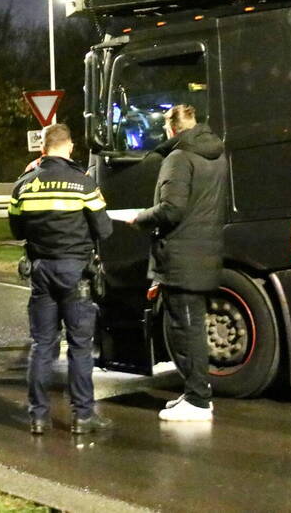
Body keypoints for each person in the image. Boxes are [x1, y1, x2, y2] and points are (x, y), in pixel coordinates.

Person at [8, 123, 113, 435]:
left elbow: (16, 230)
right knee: (80, 346)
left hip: (41, 270)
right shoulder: (83, 183)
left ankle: (38, 416)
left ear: (43, 148)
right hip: (76, 272)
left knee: (42, 344)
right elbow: (104, 230)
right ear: (68, 147)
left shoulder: (24, 185)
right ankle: (83, 416)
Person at [127, 104, 226, 422]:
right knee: (193, 325)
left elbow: (171, 210)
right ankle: (194, 392)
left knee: (186, 329)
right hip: (205, 252)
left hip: (181, 257)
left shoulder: (179, 158)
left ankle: (198, 399)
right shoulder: (217, 155)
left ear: (170, 129)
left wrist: (139, 218)